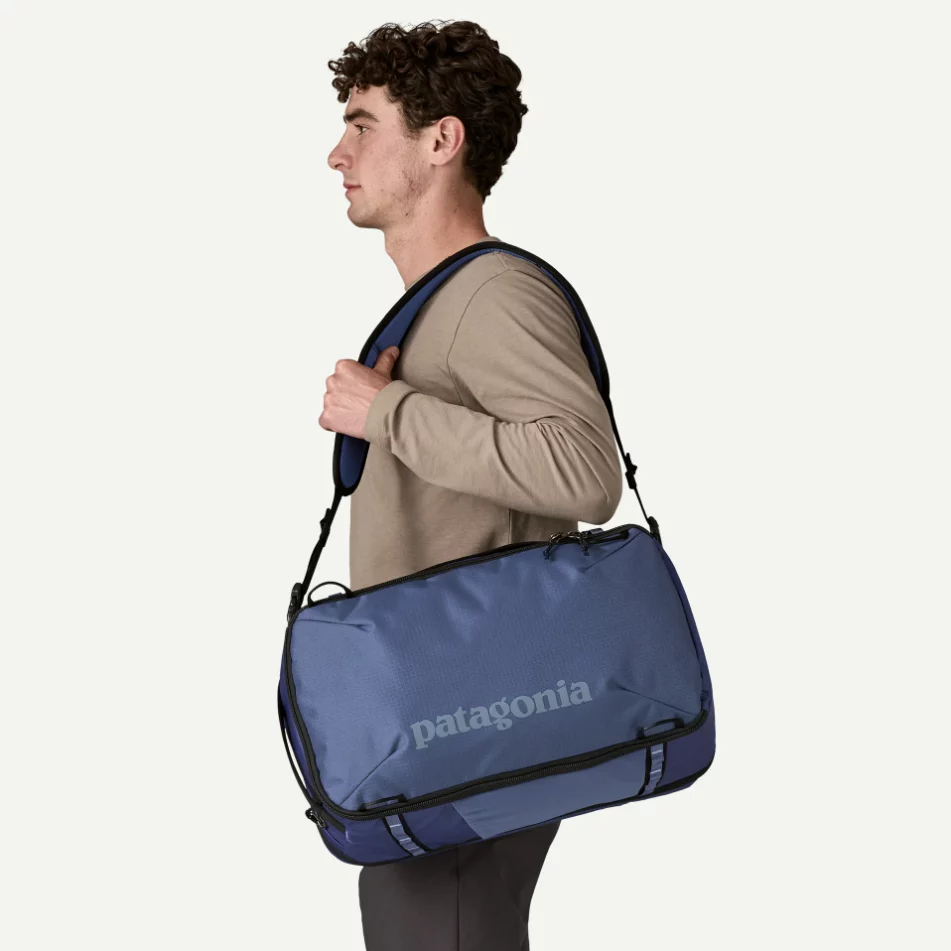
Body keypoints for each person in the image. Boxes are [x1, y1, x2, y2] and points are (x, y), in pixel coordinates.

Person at [320, 19, 624, 951]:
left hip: (474, 717)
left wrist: (388, 413)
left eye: (363, 125)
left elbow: (585, 471)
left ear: (441, 141)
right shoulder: (443, 301)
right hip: (440, 714)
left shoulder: (493, 295)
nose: (337, 154)